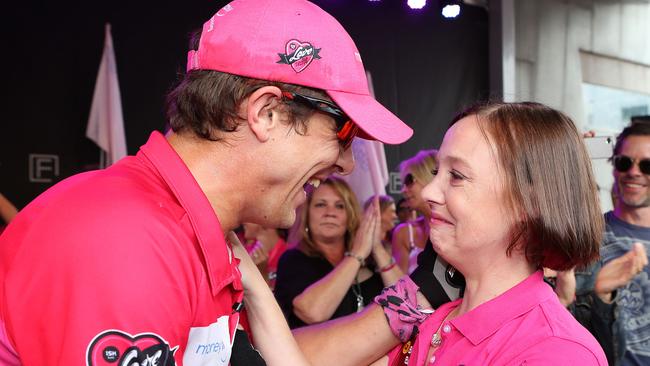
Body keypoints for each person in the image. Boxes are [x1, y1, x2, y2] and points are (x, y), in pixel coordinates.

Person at [0, 0, 412, 364]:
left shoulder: (190, 226)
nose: (346, 164)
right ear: (266, 112)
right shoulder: (129, 242)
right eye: (342, 133)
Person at [569, 119, 650, 365]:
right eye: (624, 162)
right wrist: (568, 162)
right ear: (614, 166)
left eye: (647, 165)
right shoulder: (586, 237)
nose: (634, 172)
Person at [274, 176, 402, 328]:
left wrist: (376, 247)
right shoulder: (293, 260)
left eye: (340, 206)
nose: (330, 213)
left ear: (350, 216)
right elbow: (313, 313)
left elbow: (407, 303)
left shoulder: (371, 261)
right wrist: (357, 254)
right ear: (306, 215)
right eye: (321, 205)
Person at [392, 150, 437, 273]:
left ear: (428, 177)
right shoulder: (404, 233)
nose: (403, 190)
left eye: (409, 181)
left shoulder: (460, 229)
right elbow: (398, 287)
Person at [242, 223, 288, 289]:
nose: (244, 222)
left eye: (248, 215)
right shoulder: (245, 252)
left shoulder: (287, 257)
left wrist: (262, 274)